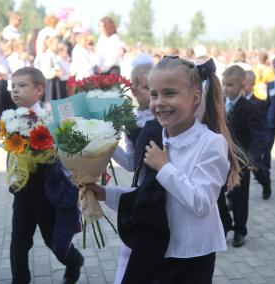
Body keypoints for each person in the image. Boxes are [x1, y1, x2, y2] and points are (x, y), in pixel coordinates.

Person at [85, 57, 240, 283]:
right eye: (155, 94)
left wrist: (164, 167)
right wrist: (104, 193)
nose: (159, 102)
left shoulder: (210, 142)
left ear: (195, 98)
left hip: (191, 256)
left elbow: (202, 203)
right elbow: (148, 198)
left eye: (169, 93)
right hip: (154, 249)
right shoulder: (155, 136)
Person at [8, 67, 83, 284]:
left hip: (47, 191)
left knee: (53, 240)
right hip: (22, 191)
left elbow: (64, 152)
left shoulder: (49, 118)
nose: (15, 90)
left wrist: (76, 177)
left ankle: (73, 260)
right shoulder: (10, 118)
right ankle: (19, 280)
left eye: (22, 86)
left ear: (39, 90)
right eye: (13, 86)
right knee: (19, 241)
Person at [106, 62, 155, 284]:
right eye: (148, 89)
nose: (154, 96)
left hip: (164, 192)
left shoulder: (168, 118)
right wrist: (107, 144)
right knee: (129, 248)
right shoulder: (132, 122)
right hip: (144, 192)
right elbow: (131, 163)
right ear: (134, 90)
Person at [218, 65, 265, 248]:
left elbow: (257, 135)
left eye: (229, 85)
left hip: (241, 161)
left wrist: (253, 158)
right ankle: (225, 222)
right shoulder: (218, 103)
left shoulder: (250, 108)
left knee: (240, 196)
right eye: (223, 84)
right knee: (217, 193)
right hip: (220, 157)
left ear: (242, 86)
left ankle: (240, 229)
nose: (225, 88)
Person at [244, 70, 271, 199]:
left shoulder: (260, 104)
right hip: (240, 143)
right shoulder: (232, 102)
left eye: (245, 84)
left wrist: (262, 146)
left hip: (254, 144)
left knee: (257, 169)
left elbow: (263, 128)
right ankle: (232, 198)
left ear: (252, 84)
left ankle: (266, 184)